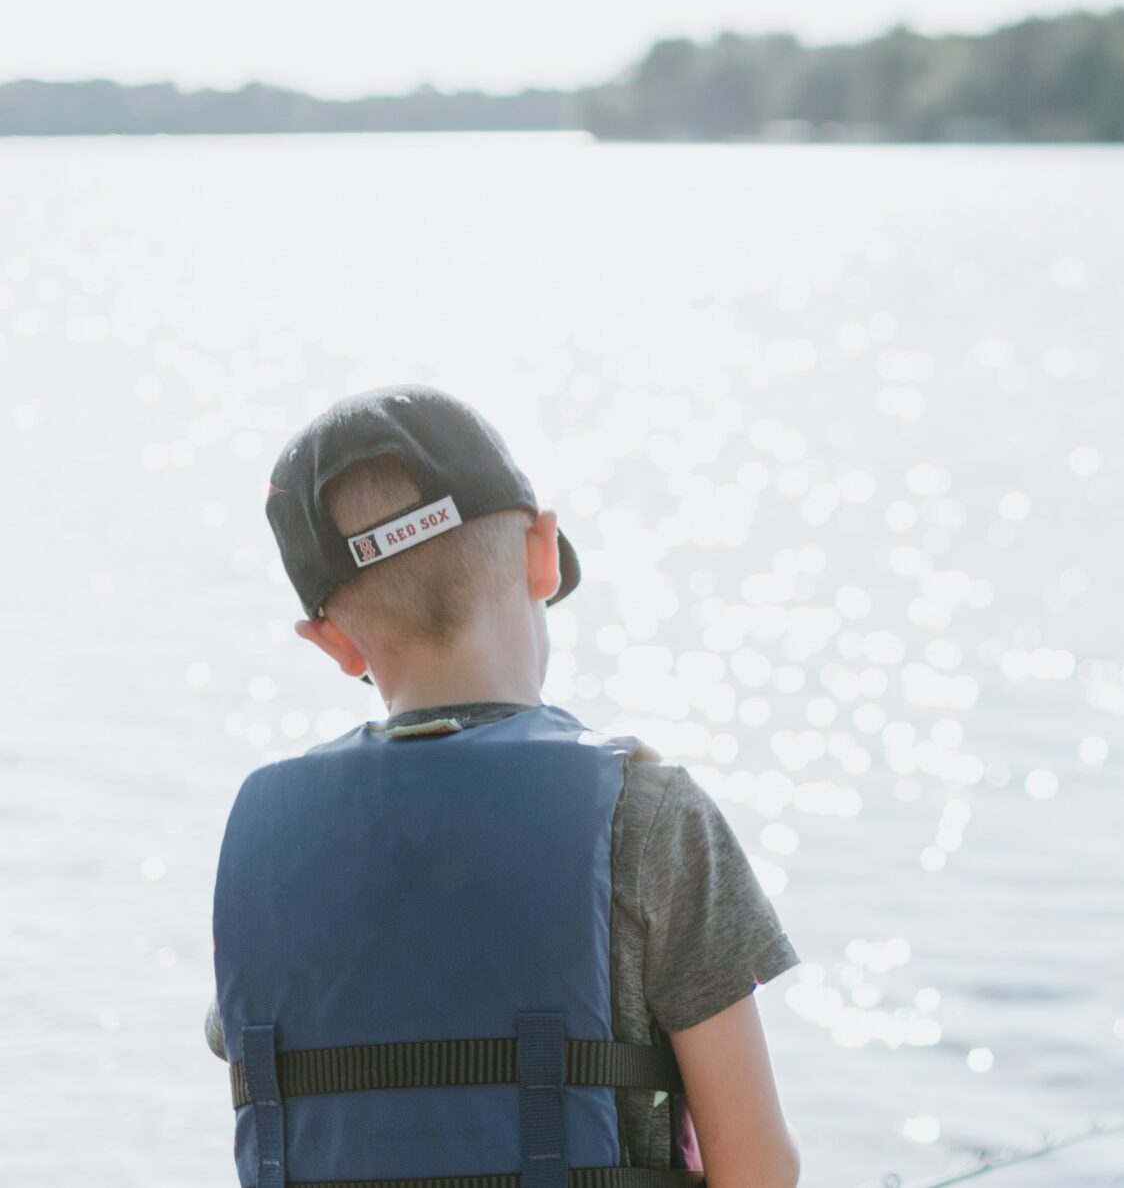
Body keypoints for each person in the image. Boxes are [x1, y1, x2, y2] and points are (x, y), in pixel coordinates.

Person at [207, 385, 800, 1188]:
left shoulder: (265, 845)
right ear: (542, 554)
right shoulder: (651, 815)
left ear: (334, 641)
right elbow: (760, 1169)